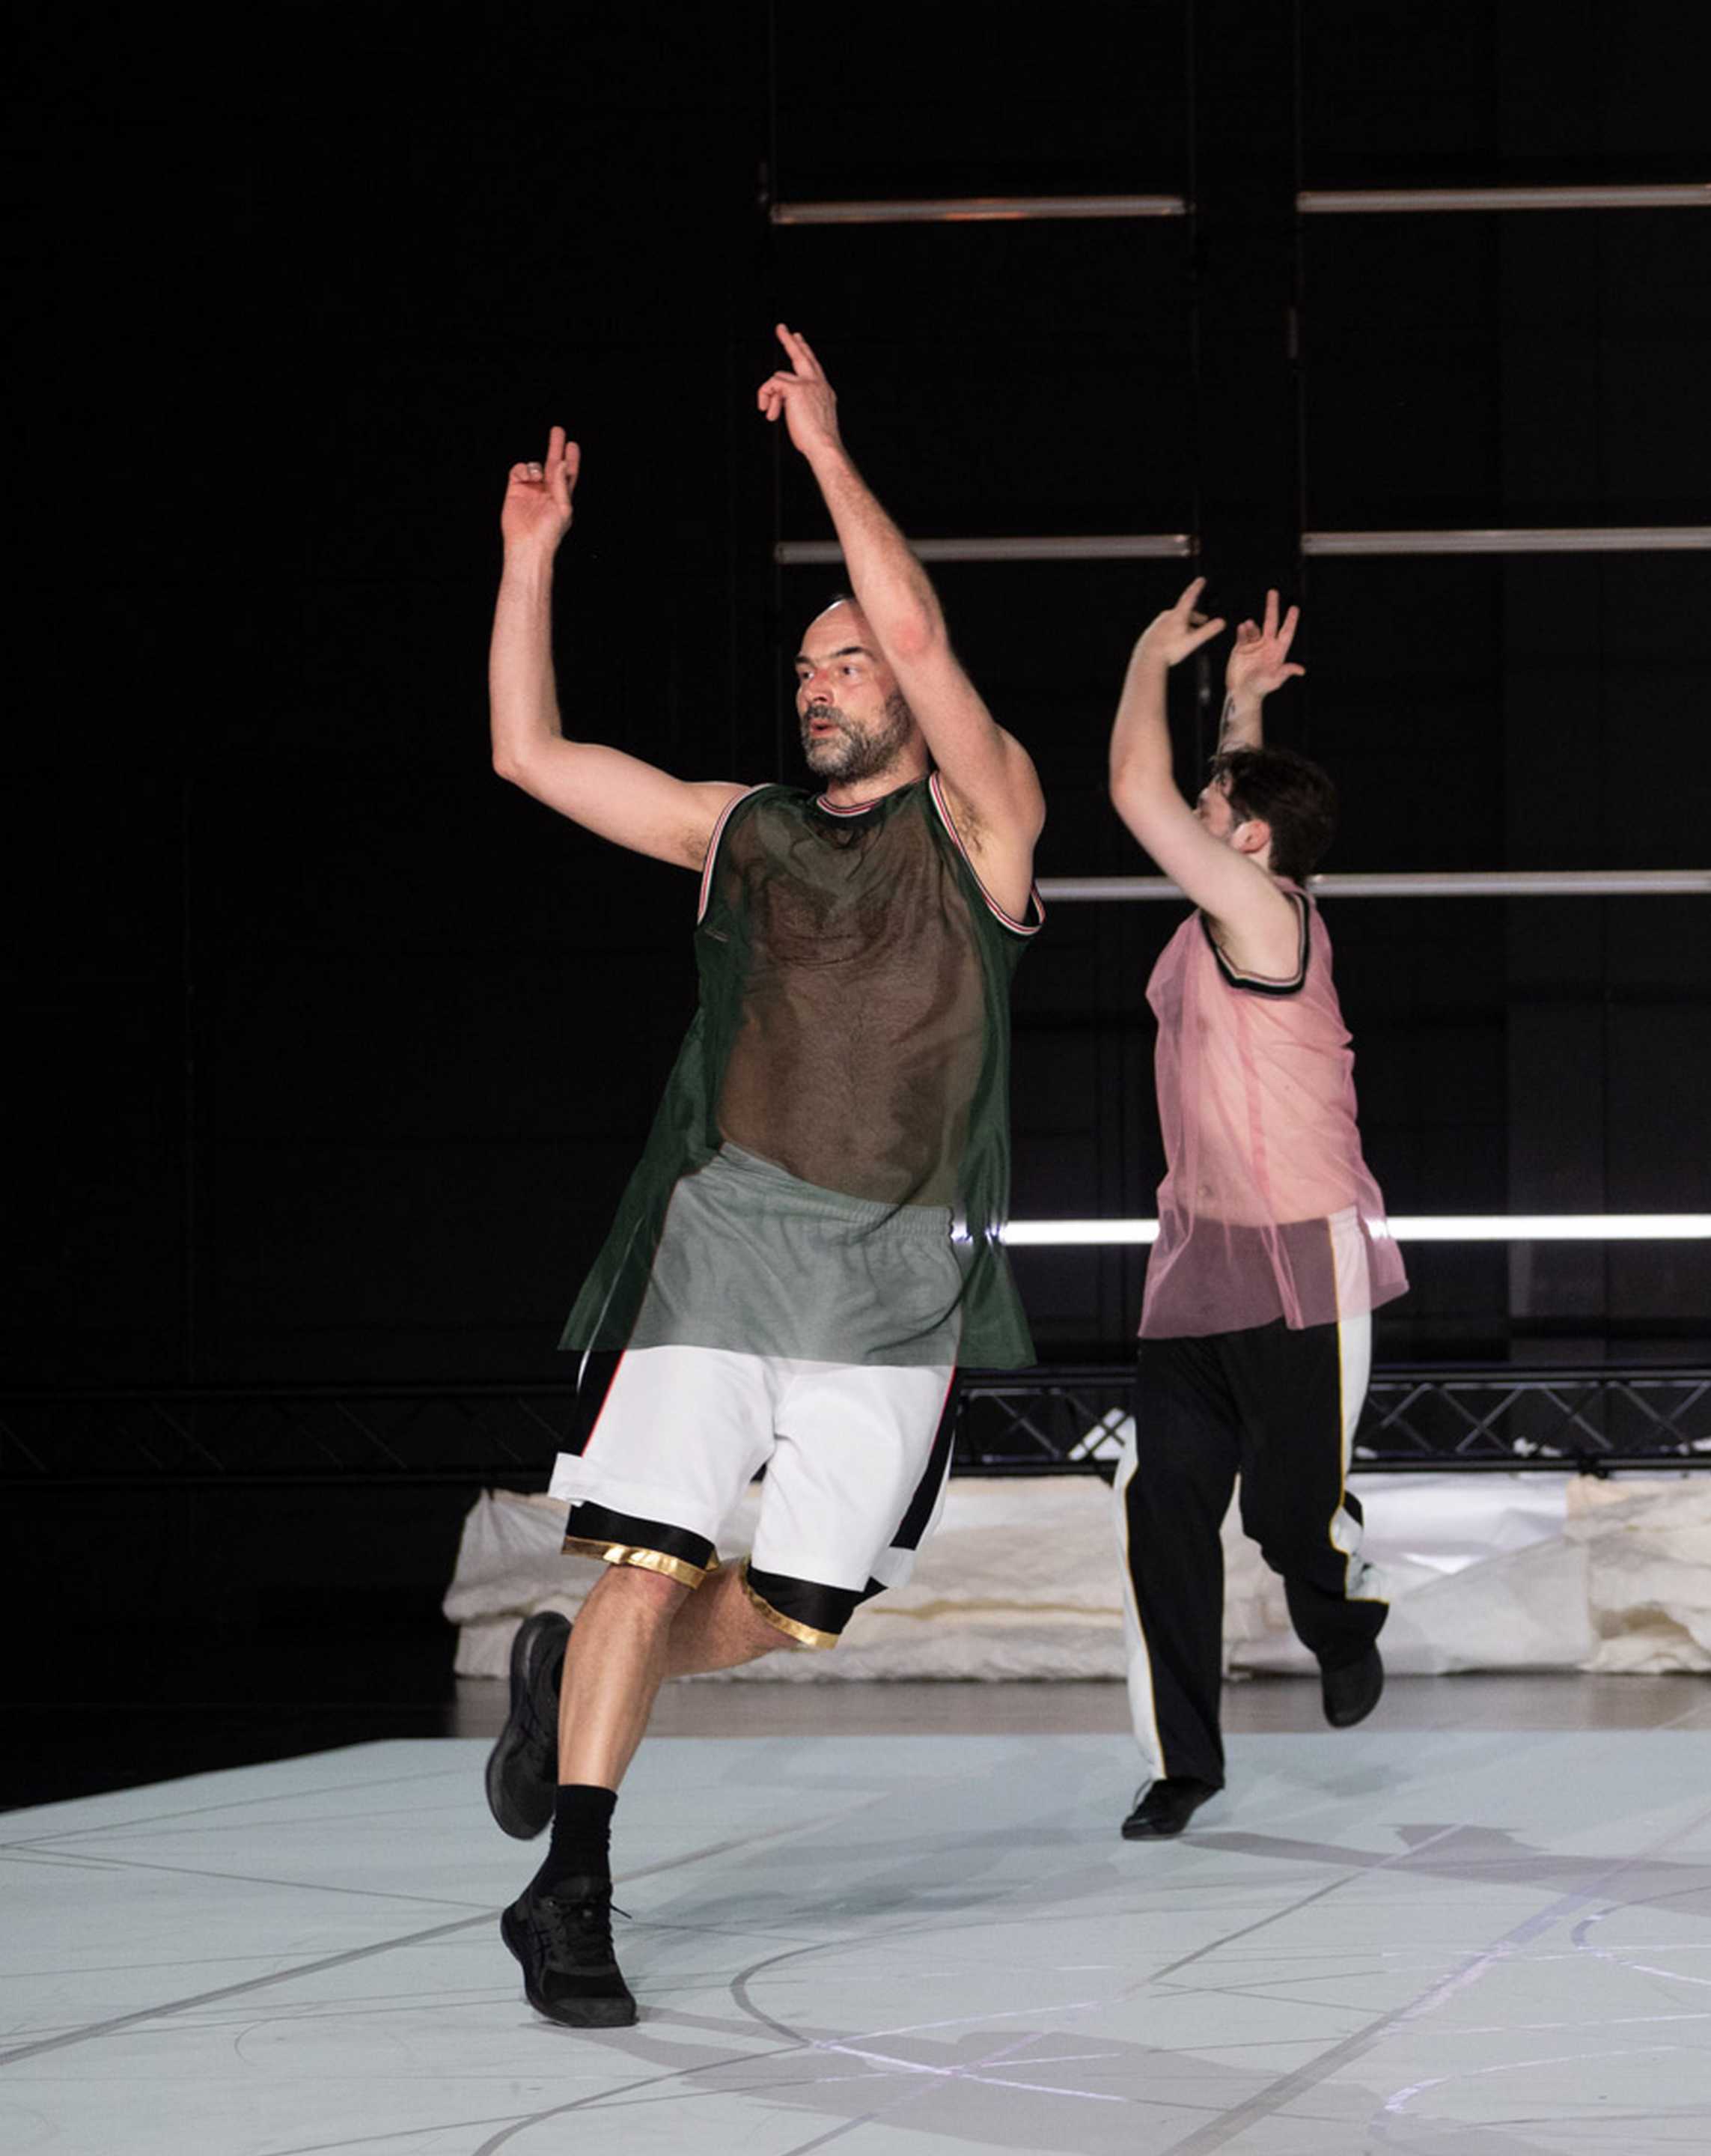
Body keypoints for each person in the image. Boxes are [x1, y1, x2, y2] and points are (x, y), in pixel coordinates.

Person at [476, 327, 1046, 2026]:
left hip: (895, 1281)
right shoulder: (742, 829)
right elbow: (534, 757)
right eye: (806, 664)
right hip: (729, 1240)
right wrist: (529, 567)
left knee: (800, 1607)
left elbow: (929, 631)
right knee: (647, 1552)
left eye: (850, 661)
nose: (822, 681)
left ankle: (564, 1670)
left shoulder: (991, 823)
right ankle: (571, 1883)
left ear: (912, 691)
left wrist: (824, 453)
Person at [1100, 583, 1409, 1842]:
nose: (1200, 815)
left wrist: (1144, 663)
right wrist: (1236, 704)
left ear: (1253, 851)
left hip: (1298, 1261)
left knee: (1288, 1517)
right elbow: (1224, 796)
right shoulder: (1238, 887)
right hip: (1195, 1262)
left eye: (1218, 814)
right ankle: (1184, 1759)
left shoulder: (1264, 917)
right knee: (1162, 1502)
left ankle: (1340, 1616)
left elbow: (1137, 792)